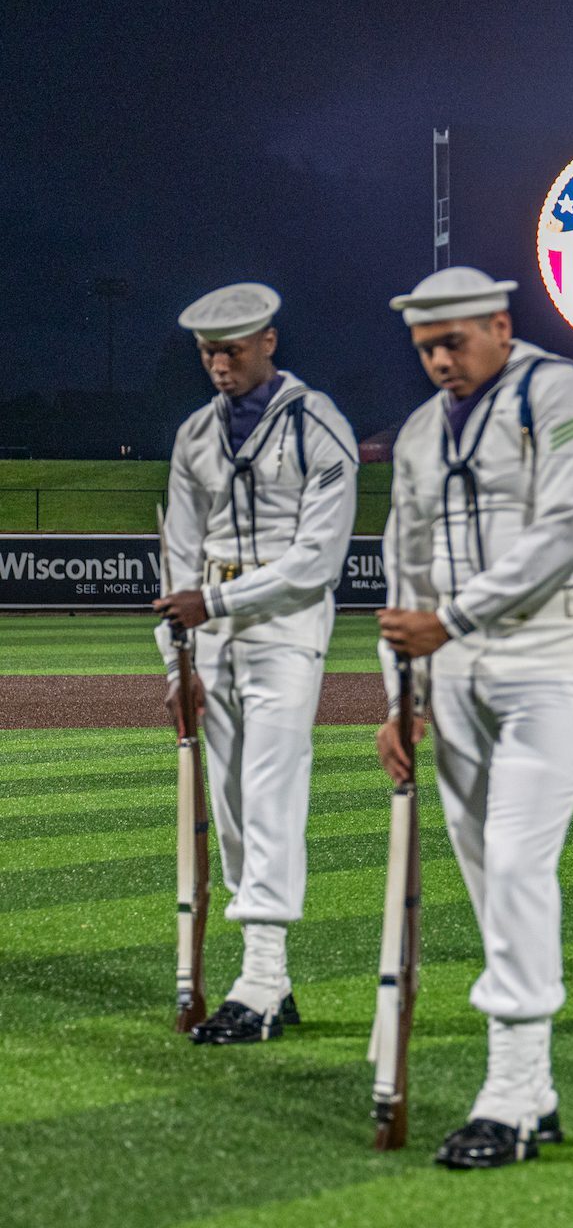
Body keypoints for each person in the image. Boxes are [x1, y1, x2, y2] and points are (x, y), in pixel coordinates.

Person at [375, 266, 573, 1168]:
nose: (440, 360)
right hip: (454, 670)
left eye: (453, 342)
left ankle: (510, 1093)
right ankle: (536, 1084)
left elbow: (564, 527)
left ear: (500, 325)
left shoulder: (558, 391)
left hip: (555, 658)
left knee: (518, 859)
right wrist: (394, 699)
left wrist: (455, 619)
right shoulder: (415, 434)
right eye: (425, 348)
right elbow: (405, 571)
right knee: (486, 873)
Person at [153, 282, 359, 1044]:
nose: (219, 362)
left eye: (233, 348)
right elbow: (177, 556)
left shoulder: (317, 423)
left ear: (269, 342)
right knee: (231, 804)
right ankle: (266, 973)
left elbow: (316, 562)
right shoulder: (193, 436)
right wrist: (177, 669)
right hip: (209, 632)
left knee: (271, 791)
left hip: (283, 625)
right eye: (208, 351)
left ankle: (262, 980)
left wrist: (219, 605)